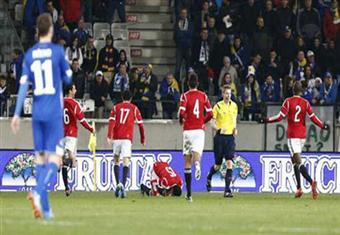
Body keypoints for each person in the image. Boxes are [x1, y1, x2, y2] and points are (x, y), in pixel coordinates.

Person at [10, 13, 72, 220]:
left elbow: (22, 87)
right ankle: (38, 192)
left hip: (36, 112)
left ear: (37, 30)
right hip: (54, 112)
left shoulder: (29, 55)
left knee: (40, 160)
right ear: (52, 30)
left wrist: (16, 113)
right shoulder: (57, 52)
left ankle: (45, 210)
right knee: (55, 159)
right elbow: (68, 77)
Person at [264, 81, 328, 199]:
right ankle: (299, 188)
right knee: (294, 161)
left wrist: (267, 119)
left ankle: (311, 182)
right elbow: (313, 118)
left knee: (298, 161)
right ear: (301, 91)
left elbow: (280, 117)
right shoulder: (306, 103)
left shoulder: (288, 101)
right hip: (302, 136)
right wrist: (323, 125)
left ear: (292, 90)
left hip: (293, 135)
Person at [178, 73, 213, 202]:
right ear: (197, 83)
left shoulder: (185, 96)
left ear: (188, 83)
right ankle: (197, 164)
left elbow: (181, 112)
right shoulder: (203, 96)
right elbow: (211, 113)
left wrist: (181, 120)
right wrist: (203, 121)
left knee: (187, 161)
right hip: (199, 130)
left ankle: (189, 194)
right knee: (197, 153)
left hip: (187, 131)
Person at [107, 90, 145, 198]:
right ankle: (122, 185)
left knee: (116, 161)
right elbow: (141, 125)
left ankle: (117, 184)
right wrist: (142, 139)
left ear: (122, 97)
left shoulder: (116, 107)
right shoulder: (134, 108)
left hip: (117, 138)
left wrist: (109, 135)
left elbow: (111, 122)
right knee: (126, 162)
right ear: (131, 98)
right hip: (127, 139)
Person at [62, 84, 94, 196]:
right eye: (74, 88)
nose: (76, 90)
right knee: (71, 156)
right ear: (70, 91)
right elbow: (82, 120)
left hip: (61, 133)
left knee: (64, 162)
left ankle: (66, 187)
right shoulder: (74, 103)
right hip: (71, 133)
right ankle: (73, 162)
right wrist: (91, 129)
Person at [206, 85, 237, 197]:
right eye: (226, 93)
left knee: (229, 163)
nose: (228, 95)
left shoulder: (234, 106)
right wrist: (218, 128)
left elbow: (234, 119)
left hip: (230, 138)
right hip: (220, 138)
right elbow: (211, 122)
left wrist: (235, 128)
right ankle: (209, 176)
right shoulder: (217, 106)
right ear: (222, 94)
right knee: (218, 165)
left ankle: (227, 190)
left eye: (229, 93)